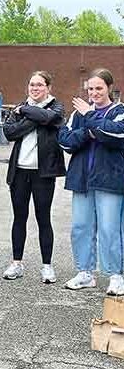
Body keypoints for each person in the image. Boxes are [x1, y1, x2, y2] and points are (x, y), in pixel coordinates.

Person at [58, 68, 124, 295]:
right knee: (80, 227)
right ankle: (85, 273)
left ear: (109, 88)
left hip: (110, 180)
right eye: (90, 89)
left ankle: (116, 275)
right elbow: (65, 142)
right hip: (82, 179)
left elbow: (116, 136)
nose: (94, 93)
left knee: (110, 229)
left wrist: (91, 119)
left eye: (99, 88)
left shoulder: (119, 111)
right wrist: (89, 130)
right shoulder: (78, 114)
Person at [2, 71, 66, 283]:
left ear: (48, 87)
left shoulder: (56, 106)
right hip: (20, 171)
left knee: (43, 217)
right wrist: (35, 117)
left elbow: (49, 118)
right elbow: (10, 133)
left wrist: (26, 112)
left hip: (43, 172)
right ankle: (16, 263)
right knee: (19, 217)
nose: (35, 88)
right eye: (32, 85)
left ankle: (47, 266)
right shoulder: (20, 106)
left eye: (39, 85)